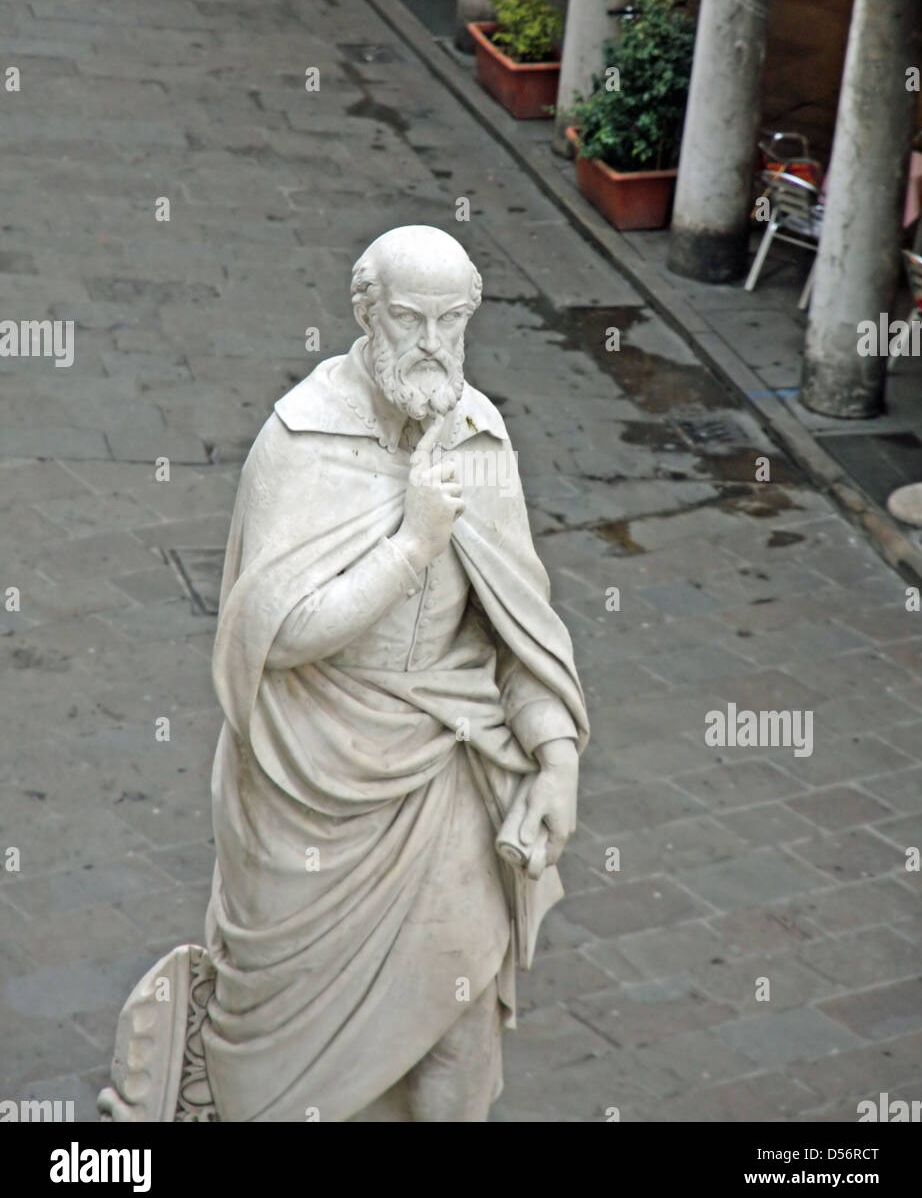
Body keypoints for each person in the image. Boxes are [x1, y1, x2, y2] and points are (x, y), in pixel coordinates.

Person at [100, 224, 588, 1123]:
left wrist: (554, 758)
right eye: (410, 320)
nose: (434, 345)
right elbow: (274, 632)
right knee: (277, 1066)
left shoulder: (479, 439)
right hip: (306, 788)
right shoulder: (302, 439)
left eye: (453, 322)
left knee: (456, 1025)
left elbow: (519, 631)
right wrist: (412, 545)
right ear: (367, 316)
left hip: (443, 777)